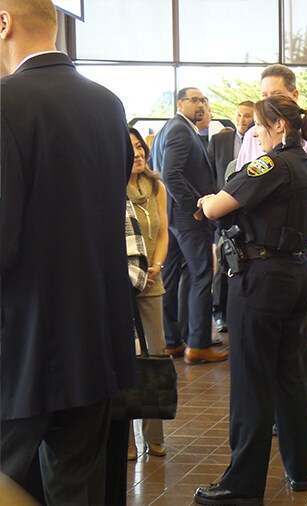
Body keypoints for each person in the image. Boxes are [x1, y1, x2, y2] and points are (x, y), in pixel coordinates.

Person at [0, 0, 136, 503]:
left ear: (3, 22)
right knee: (76, 489)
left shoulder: (5, 102)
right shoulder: (107, 103)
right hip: (94, 342)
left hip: (19, 349)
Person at [193, 95, 307, 505]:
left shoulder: (271, 165)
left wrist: (205, 202)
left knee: (251, 382)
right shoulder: (305, 163)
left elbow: (217, 206)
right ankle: (299, 468)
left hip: (261, 278)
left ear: (280, 125)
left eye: (259, 126)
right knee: (290, 375)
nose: (254, 134)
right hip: (297, 273)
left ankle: (241, 485)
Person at [234, 64, 307, 340]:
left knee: (295, 332)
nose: (267, 102)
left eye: (275, 95)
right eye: (263, 95)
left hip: (299, 245)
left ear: (294, 96)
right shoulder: (253, 135)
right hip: (258, 248)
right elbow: (240, 186)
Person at [152, 87, 228, 364]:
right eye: (194, 100)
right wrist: (194, 207)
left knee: (170, 279)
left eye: (204, 100)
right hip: (187, 217)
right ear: (180, 103)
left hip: (171, 217)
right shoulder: (181, 131)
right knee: (202, 275)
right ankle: (198, 344)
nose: (201, 104)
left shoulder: (168, 129)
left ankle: (171, 341)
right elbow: (170, 175)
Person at [126, 127, 171, 460]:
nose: (138, 153)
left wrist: (156, 264)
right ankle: (125, 438)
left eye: (140, 146)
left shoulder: (157, 187)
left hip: (152, 284)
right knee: (125, 359)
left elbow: (164, 232)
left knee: (156, 356)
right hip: (121, 287)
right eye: (130, 148)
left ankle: (154, 435)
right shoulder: (109, 187)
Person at [208, 101, 255, 333]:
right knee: (222, 260)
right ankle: (219, 312)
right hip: (222, 208)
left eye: (247, 116)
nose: (242, 120)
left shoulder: (258, 138)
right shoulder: (219, 140)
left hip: (250, 209)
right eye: (239, 115)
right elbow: (209, 173)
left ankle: (243, 310)